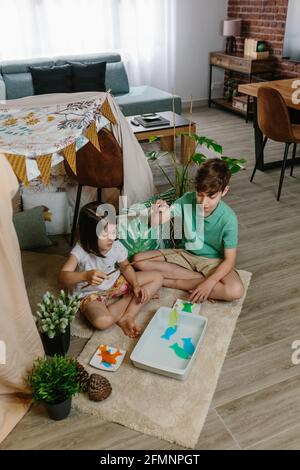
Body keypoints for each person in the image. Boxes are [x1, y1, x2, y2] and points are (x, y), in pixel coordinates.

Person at [133, 159, 245, 303]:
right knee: (138, 260)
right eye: (200, 194)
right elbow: (156, 222)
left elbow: (229, 260)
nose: (203, 203)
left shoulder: (229, 219)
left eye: (211, 196)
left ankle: (172, 282)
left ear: (224, 191)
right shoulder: (187, 199)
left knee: (235, 290)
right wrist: (160, 209)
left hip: (212, 262)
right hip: (184, 254)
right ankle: (198, 280)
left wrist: (210, 283)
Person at [59, 202, 163, 338]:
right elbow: (62, 276)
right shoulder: (80, 251)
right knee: (103, 322)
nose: (112, 237)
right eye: (105, 233)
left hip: (114, 283)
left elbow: (125, 266)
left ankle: (128, 315)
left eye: (114, 231)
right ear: (89, 234)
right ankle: (131, 299)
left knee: (158, 278)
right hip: (90, 293)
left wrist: (136, 285)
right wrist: (84, 276)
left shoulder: (116, 245)